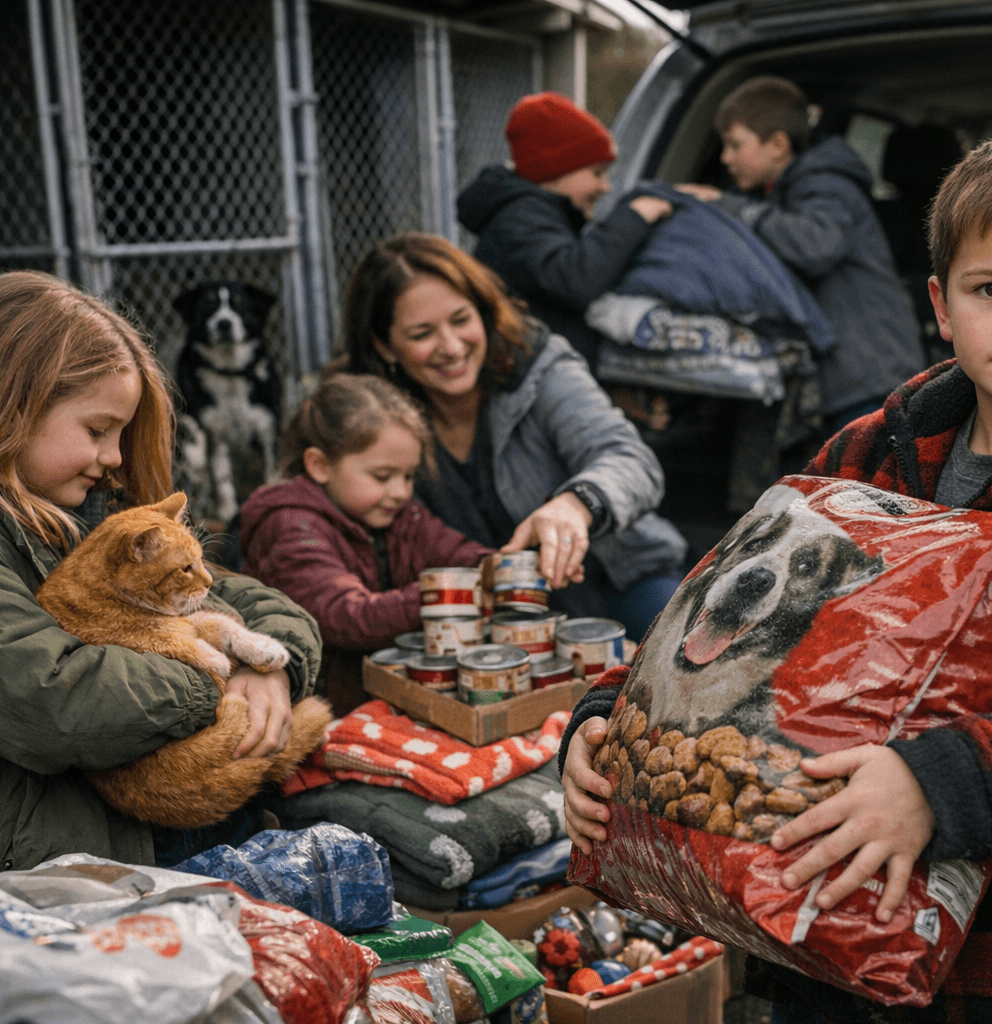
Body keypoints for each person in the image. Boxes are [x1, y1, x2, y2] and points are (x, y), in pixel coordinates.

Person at [564, 125, 992, 1023]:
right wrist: (609, 718)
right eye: (991, 288)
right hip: (826, 914)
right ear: (943, 306)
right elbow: (730, 618)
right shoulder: (869, 454)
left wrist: (943, 784)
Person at [0, 270, 323, 875]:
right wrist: (220, 672)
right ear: (4, 405)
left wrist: (274, 670)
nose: (115, 457)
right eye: (98, 430)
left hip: (160, 846)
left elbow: (249, 598)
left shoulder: (83, 512)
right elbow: (55, 702)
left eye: (121, 434)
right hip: (60, 882)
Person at [341, 232, 690, 637]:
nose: (452, 347)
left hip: (621, 585)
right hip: (480, 620)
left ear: (483, 312)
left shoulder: (542, 367)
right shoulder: (366, 417)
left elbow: (632, 461)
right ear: (384, 346)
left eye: (461, 320)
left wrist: (577, 504)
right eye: (422, 334)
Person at [679, 76, 926, 432]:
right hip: (858, 374)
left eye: (735, 145)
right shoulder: (796, 189)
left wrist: (733, 208)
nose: (726, 157)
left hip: (869, 376)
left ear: (778, 145)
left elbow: (816, 244)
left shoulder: (825, 184)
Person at [240, 373, 493, 714]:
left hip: (375, 704)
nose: (401, 491)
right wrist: (441, 594)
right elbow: (348, 616)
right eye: (383, 476)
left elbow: (453, 551)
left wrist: (494, 569)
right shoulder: (289, 525)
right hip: (314, 712)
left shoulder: (398, 514)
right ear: (320, 465)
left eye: (408, 476)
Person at [457, 91, 674, 364]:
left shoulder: (535, 215)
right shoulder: (519, 219)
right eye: (597, 173)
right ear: (554, 170)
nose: (605, 187)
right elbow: (574, 279)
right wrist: (635, 216)